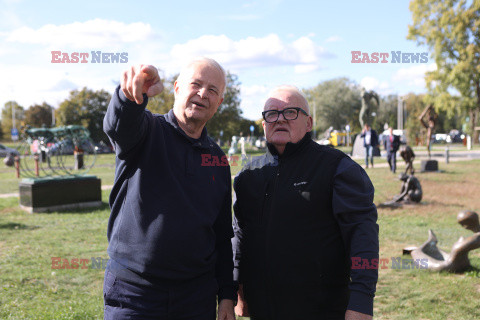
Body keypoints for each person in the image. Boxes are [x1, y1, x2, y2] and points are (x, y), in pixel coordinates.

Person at [103, 58, 236, 320]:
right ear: (176, 87)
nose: (202, 94)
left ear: (219, 102)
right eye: (195, 84)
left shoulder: (218, 160)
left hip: (196, 298)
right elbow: (118, 126)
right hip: (135, 295)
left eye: (212, 90)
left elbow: (221, 235)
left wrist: (227, 295)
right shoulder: (146, 131)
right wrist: (130, 97)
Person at [232, 85, 379, 320]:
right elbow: (240, 234)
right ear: (263, 124)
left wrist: (362, 301)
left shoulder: (337, 169)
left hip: (321, 310)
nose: (279, 119)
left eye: (290, 112)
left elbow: (363, 237)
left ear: (308, 123)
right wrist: (237, 290)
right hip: (262, 309)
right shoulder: (248, 176)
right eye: (272, 114)